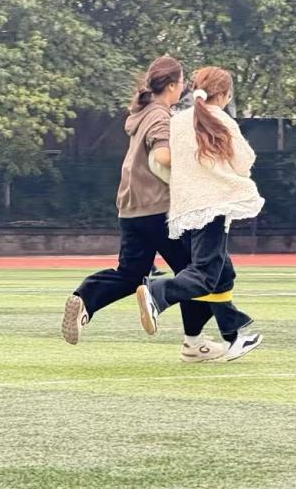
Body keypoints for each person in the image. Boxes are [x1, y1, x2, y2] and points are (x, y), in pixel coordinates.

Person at [62, 56, 225, 362]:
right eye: (182, 83)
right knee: (200, 270)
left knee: (130, 273)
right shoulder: (160, 117)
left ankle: (85, 299)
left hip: (131, 209)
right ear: (173, 85)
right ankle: (193, 342)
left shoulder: (142, 114)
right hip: (158, 209)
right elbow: (162, 157)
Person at [136, 66, 264, 361]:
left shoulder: (178, 121)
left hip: (183, 210)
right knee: (205, 275)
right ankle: (157, 292)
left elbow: (162, 161)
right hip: (212, 207)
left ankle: (231, 336)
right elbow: (244, 162)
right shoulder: (222, 120)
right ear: (225, 94)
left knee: (223, 273)